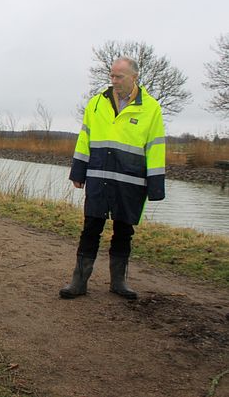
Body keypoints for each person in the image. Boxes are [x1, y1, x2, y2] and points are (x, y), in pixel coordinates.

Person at [60, 57, 165, 300]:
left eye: (119, 76)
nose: (114, 81)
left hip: (131, 180)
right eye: (112, 76)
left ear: (134, 77)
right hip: (98, 176)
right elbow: (85, 137)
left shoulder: (151, 108)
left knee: (124, 231)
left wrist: (156, 185)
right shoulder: (96, 103)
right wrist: (78, 171)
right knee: (90, 228)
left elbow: (156, 147)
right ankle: (79, 282)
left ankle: (119, 282)